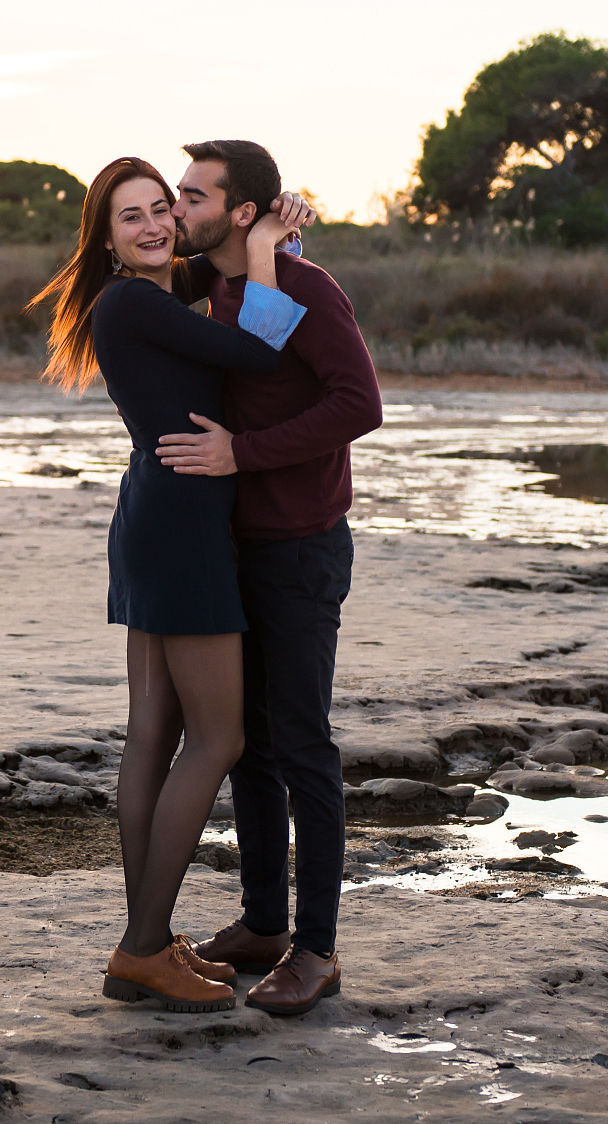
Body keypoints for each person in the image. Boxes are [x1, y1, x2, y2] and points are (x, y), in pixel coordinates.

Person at [26, 156, 314, 1013]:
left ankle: (144, 942)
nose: (156, 225)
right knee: (218, 738)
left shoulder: (149, 291)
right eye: (133, 216)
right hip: (182, 527)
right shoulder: (132, 303)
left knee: (154, 732)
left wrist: (270, 226)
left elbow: (217, 260)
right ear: (105, 240)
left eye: (163, 208)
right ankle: (143, 945)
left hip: (154, 515)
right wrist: (264, 242)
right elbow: (258, 351)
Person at [155, 139, 384, 1016]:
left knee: (301, 743)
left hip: (299, 548)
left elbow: (359, 403)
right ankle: (262, 922)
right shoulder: (213, 287)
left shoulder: (308, 287)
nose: (177, 207)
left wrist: (241, 454)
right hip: (232, 549)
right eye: (177, 194)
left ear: (241, 210)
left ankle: (317, 949)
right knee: (244, 741)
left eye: (193, 196)